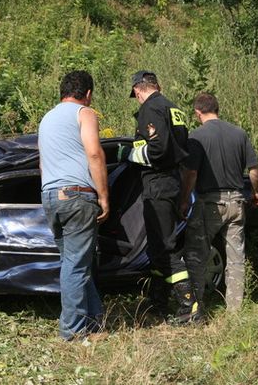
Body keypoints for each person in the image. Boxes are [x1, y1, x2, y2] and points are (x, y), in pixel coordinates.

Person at [38, 70, 109, 340]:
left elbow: (42, 162)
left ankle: (93, 320)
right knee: (77, 265)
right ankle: (72, 331)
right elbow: (94, 153)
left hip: (50, 195)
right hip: (77, 195)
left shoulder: (46, 119)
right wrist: (103, 196)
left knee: (75, 262)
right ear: (88, 94)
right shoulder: (84, 113)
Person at [125, 70, 199, 323]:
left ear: (138, 90)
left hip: (158, 183)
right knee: (158, 246)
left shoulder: (150, 108)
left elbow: (158, 150)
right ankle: (157, 301)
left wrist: (128, 155)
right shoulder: (173, 108)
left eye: (134, 95)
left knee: (165, 248)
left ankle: (189, 306)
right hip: (172, 182)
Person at [180, 93, 258, 313]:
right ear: (217, 108)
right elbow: (254, 170)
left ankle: (196, 307)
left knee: (197, 256)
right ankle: (234, 309)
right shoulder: (239, 133)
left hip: (209, 204)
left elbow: (192, 172)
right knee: (236, 258)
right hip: (236, 202)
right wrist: (255, 193)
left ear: (198, 112)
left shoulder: (196, 136)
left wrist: (185, 199)